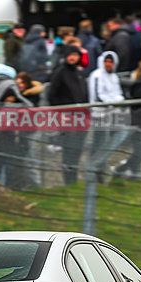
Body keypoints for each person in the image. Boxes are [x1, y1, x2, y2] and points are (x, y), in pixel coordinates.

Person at [48, 45, 88, 185]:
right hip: (67, 118)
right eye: (70, 55)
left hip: (81, 119)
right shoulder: (60, 72)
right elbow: (52, 96)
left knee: (77, 150)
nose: (73, 58)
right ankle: (68, 180)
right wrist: (61, 114)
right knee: (69, 150)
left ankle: (74, 178)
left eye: (75, 55)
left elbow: (85, 96)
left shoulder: (80, 73)